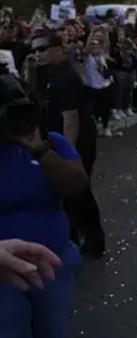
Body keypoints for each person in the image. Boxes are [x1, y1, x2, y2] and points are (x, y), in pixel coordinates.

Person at [0, 71, 89, 336]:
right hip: (3, 268)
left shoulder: (51, 143)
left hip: (52, 262)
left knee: (52, 329)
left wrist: (40, 150)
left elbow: (76, 185)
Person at [29, 31, 106, 258]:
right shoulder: (47, 73)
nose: (38, 54)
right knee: (72, 195)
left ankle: (90, 242)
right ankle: (77, 240)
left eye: (43, 49)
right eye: (34, 50)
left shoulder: (65, 77)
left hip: (76, 143)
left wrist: (67, 157)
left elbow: (70, 120)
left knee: (77, 193)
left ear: (59, 49)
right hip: (57, 139)